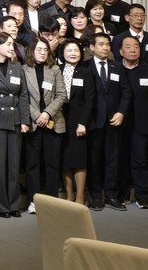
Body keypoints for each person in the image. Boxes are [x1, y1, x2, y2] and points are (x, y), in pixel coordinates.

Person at [0, 32, 30, 218]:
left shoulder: (16, 66)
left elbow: (23, 95)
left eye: (13, 44)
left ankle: (13, 204)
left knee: (14, 165)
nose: (12, 48)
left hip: (15, 119)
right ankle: (0, 206)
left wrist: (25, 120)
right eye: (8, 44)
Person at [87, 32, 131, 211]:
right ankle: (96, 196)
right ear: (92, 47)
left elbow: (127, 92)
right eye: (101, 44)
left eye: (107, 44)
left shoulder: (117, 67)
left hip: (114, 120)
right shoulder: (85, 67)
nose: (105, 48)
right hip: (93, 121)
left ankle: (112, 195)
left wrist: (121, 112)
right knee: (94, 159)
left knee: (113, 158)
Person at [22, 37, 66, 213]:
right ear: (31, 51)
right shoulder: (23, 69)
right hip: (33, 124)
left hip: (53, 122)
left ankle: (52, 201)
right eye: (39, 49)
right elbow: (22, 97)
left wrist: (47, 113)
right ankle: (33, 201)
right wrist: (37, 116)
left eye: (45, 49)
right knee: (32, 165)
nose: (42, 52)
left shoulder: (54, 69)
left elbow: (62, 95)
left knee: (52, 164)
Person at [120, 36, 148, 209]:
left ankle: (142, 194)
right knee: (120, 159)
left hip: (142, 123)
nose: (132, 49)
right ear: (121, 51)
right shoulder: (115, 69)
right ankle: (121, 193)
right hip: (118, 124)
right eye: (128, 46)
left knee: (140, 159)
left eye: (136, 46)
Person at [57, 38, 95, 205]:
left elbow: (90, 100)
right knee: (64, 159)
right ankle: (69, 194)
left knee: (79, 159)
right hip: (61, 119)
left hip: (79, 120)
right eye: (69, 50)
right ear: (62, 53)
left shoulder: (86, 72)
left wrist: (83, 123)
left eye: (76, 50)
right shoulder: (56, 70)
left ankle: (80, 196)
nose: (73, 53)